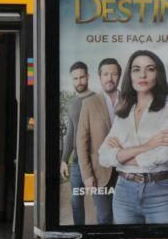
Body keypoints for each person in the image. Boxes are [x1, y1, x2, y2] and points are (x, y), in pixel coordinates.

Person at [98, 50, 168, 225]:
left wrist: (121, 155)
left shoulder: (166, 108)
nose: (142, 75)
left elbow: (163, 155)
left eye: (150, 69)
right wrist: (147, 146)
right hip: (124, 191)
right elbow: (104, 155)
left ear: (158, 73)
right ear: (130, 75)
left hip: (160, 192)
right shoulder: (124, 111)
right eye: (136, 69)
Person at [76, 57, 121, 224]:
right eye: (106, 74)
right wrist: (87, 175)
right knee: (105, 217)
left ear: (119, 76)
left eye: (114, 74)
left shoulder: (130, 102)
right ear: (100, 77)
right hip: (100, 173)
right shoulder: (89, 103)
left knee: (127, 219)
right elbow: (81, 142)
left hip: (128, 172)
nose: (110, 78)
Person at [60, 62, 93, 225]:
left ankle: (106, 233)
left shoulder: (97, 99)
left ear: (88, 77)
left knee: (102, 202)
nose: (79, 81)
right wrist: (64, 159)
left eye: (82, 77)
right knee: (75, 201)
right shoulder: (71, 104)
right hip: (77, 162)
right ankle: (80, 232)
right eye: (75, 78)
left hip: (96, 160)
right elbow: (70, 133)